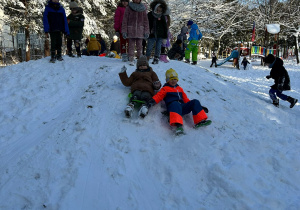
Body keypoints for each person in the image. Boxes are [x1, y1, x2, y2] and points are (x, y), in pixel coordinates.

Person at [146, 68, 211, 135]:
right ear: (168, 80)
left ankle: (200, 121)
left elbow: (185, 99)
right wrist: (152, 101)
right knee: (175, 103)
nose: (173, 81)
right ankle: (178, 125)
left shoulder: (179, 88)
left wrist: (198, 106)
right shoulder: (165, 89)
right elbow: (159, 96)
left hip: (182, 107)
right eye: (171, 79)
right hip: (173, 108)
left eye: (175, 79)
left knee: (195, 101)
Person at [122, 0, 149, 66]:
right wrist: (124, 31)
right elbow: (125, 20)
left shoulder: (143, 8)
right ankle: (131, 58)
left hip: (140, 30)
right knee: (131, 46)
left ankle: (140, 59)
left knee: (140, 46)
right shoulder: (128, 8)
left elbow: (146, 21)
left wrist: (146, 31)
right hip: (131, 30)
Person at [145, 0, 168, 64]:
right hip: (151, 34)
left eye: (160, 10)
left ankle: (156, 58)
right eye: (157, 10)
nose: (158, 11)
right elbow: (146, 24)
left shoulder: (162, 16)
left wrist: (165, 37)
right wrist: (146, 32)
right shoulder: (150, 15)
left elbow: (165, 27)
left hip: (160, 35)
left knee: (158, 47)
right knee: (149, 47)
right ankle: (147, 58)